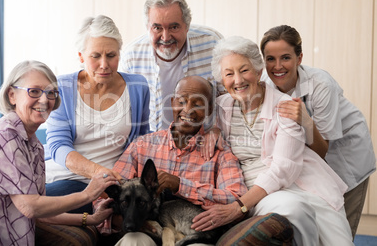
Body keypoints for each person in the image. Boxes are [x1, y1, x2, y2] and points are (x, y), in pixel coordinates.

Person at [191, 36, 354, 246]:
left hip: (298, 184)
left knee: (326, 232)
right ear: (222, 80)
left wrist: (238, 207)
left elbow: (283, 169)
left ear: (259, 72)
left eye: (244, 70)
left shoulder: (284, 106)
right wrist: (212, 130)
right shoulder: (222, 107)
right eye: (229, 74)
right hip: (252, 190)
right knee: (292, 208)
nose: (238, 80)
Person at [0, 60, 114, 245]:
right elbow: (30, 207)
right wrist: (87, 195)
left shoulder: (35, 145)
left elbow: (40, 212)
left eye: (51, 93)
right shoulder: (2, 135)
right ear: (12, 95)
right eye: (34, 91)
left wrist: (91, 219)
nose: (44, 100)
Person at [260, 25, 376, 238]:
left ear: (299, 58)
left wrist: (306, 121)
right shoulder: (265, 84)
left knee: (340, 229)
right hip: (309, 163)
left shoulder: (321, 84)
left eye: (285, 58)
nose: (277, 66)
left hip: (344, 156)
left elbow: (323, 150)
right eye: (270, 59)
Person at [107, 76, 246, 245]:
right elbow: (109, 190)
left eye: (198, 104)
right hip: (144, 230)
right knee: (132, 240)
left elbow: (237, 199)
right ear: (172, 102)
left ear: (209, 110)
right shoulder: (142, 146)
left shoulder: (220, 152)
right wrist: (127, 220)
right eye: (181, 101)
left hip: (192, 233)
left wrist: (182, 186)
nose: (187, 110)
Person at [44, 15, 150, 214]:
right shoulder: (63, 87)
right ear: (81, 56)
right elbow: (58, 146)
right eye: (95, 56)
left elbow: (142, 142)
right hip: (66, 178)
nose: (104, 64)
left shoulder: (138, 86)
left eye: (111, 55)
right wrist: (97, 172)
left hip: (114, 184)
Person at [119, 0, 224, 132]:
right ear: (147, 28)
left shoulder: (213, 43)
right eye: (157, 28)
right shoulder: (131, 56)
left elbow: (226, 97)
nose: (166, 37)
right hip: (154, 144)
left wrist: (217, 130)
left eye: (174, 27)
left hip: (203, 142)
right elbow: (126, 111)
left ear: (187, 26)